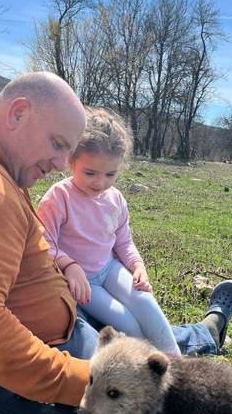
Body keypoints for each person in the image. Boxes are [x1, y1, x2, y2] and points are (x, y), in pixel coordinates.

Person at [0, 72, 232, 414]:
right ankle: (203, 339)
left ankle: (204, 333)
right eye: (57, 143)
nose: (60, 164)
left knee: (133, 342)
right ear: (18, 113)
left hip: (61, 332)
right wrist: (86, 383)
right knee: (145, 404)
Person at [37, 107, 180, 355]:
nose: (100, 183)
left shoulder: (115, 199)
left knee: (145, 302)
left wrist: (137, 266)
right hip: (85, 283)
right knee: (127, 323)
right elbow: (42, 242)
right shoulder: (59, 197)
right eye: (90, 173)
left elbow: (123, 241)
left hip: (110, 268)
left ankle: (178, 365)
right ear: (71, 160)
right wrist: (68, 265)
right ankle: (153, 370)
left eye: (110, 174)